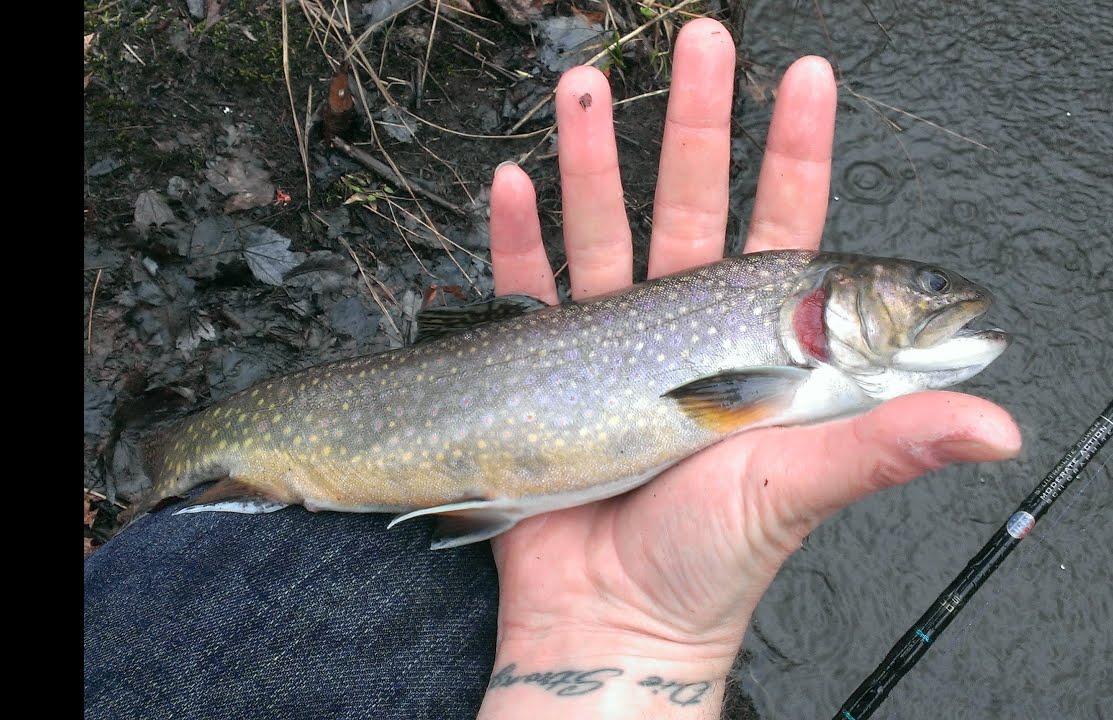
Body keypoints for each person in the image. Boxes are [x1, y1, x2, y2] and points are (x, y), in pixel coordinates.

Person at [84, 17, 1020, 720]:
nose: (942, 300)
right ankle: (174, 466)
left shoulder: (802, 377)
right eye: (925, 287)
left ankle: (180, 487)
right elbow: (715, 406)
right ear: (830, 301)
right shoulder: (779, 378)